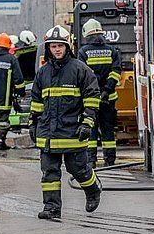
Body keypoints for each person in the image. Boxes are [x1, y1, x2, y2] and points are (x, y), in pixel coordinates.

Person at [30, 26, 102, 220]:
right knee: (49, 173)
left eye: (60, 46)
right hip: (48, 132)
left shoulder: (80, 69)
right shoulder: (43, 73)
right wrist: (32, 123)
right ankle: (51, 208)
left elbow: (92, 97)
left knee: (78, 169)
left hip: (72, 131)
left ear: (68, 46)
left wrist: (87, 122)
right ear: (48, 48)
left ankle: (93, 189)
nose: (57, 50)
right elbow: (36, 101)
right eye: (53, 46)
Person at [77, 18, 122, 166]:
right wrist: (107, 90)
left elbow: (83, 75)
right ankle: (110, 161)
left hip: (90, 99)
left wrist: (95, 92)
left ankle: (91, 160)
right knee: (108, 130)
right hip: (109, 98)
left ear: (87, 34)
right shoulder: (112, 50)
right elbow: (116, 72)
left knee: (91, 128)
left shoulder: (83, 52)